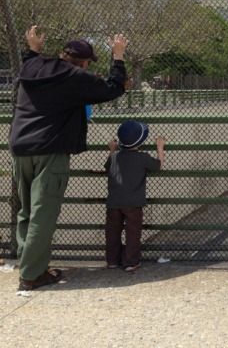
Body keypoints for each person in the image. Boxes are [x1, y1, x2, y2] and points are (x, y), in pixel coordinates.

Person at [10, 25, 128, 291]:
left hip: (20, 147)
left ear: (62, 54)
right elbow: (113, 88)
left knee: (26, 210)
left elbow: (30, 61)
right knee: (44, 212)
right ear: (84, 63)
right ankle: (31, 275)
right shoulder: (76, 78)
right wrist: (118, 56)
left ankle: (30, 265)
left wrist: (33, 48)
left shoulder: (33, 67)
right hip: (51, 149)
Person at [104, 121, 165, 272]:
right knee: (132, 233)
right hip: (133, 203)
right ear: (141, 141)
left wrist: (112, 150)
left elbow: (107, 166)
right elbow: (158, 165)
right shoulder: (143, 157)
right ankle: (131, 262)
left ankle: (112, 260)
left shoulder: (115, 157)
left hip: (114, 202)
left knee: (113, 232)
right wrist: (160, 147)